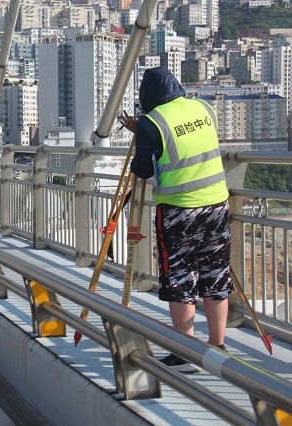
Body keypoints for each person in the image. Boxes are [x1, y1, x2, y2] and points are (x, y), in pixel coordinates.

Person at [119, 66, 233, 373]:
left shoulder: (152, 122)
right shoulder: (203, 107)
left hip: (178, 211)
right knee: (215, 273)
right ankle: (217, 344)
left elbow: (143, 170)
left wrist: (141, 135)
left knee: (181, 278)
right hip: (217, 206)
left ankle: (185, 353)